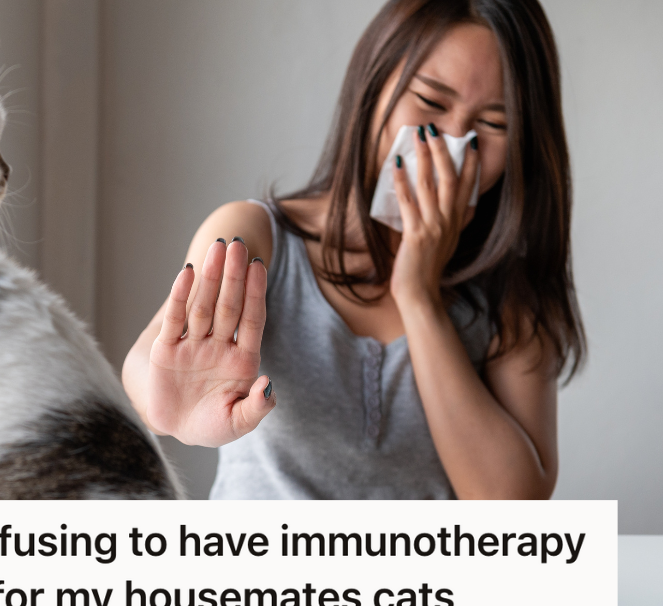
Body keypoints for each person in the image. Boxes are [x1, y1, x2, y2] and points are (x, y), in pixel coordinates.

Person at [121, 0, 585, 500]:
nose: (452, 142)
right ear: (374, 88)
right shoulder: (258, 234)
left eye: (492, 126)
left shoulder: (510, 293)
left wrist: (418, 293)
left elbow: (515, 508)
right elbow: (151, 360)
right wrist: (169, 406)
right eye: (431, 103)